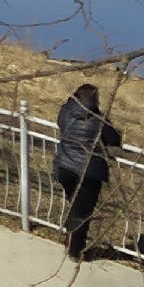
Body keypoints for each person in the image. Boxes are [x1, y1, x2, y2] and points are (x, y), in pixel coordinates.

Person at [53, 82, 122, 261]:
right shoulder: (98, 119)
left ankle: (71, 243)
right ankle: (74, 251)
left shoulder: (66, 112)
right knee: (82, 212)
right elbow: (114, 139)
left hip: (65, 166)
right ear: (95, 99)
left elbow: (61, 125)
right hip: (88, 171)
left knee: (75, 206)